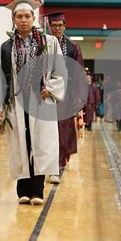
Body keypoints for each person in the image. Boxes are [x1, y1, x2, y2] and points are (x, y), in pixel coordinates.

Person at [0, 0, 67, 206]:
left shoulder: (50, 42)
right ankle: (23, 192)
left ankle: (37, 190)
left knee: (41, 144)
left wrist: (50, 88)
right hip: (17, 102)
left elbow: (61, 71)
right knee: (21, 145)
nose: (23, 20)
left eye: (27, 16)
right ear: (13, 19)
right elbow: (1, 77)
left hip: (41, 100)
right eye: (18, 16)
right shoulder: (6, 47)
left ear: (34, 17)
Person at [47, 10, 84, 183]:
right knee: (48, 128)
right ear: (49, 26)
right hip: (47, 92)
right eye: (54, 26)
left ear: (65, 26)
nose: (57, 29)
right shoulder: (43, 45)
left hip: (66, 94)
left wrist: (78, 97)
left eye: (60, 26)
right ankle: (50, 162)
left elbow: (78, 73)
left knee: (63, 127)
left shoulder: (73, 46)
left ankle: (59, 161)